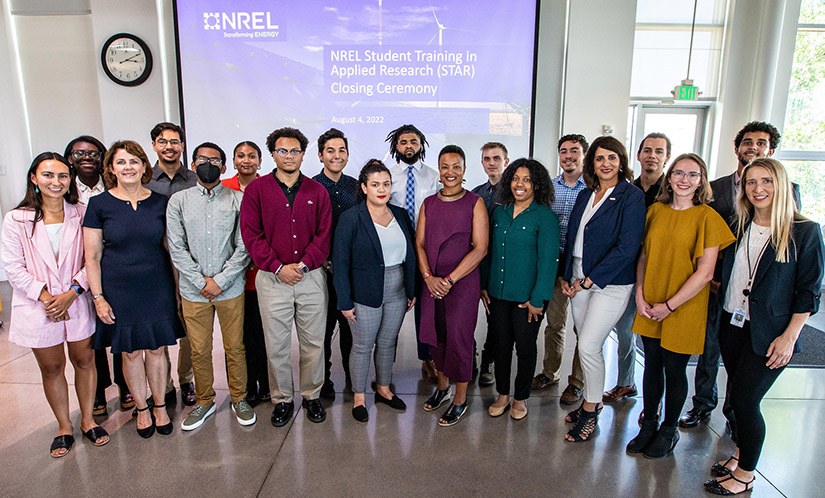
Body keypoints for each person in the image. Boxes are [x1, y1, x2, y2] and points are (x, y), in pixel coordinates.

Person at [704, 158, 823, 495]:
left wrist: (789, 337)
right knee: (735, 398)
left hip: (771, 334)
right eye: (751, 182)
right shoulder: (739, 225)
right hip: (733, 324)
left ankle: (746, 474)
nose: (758, 189)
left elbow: (809, 292)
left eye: (766, 181)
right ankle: (740, 455)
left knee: (746, 401)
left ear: (781, 184)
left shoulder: (804, 231)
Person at [681, 121, 801, 430]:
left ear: (770, 151)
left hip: (763, 299)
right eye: (747, 142)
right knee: (710, 348)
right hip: (720, 286)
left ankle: (737, 415)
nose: (753, 147)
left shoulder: (790, 194)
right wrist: (712, 276)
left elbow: (790, 248)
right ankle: (703, 404)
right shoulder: (716, 188)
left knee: (746, 373)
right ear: (737, 148)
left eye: (761, 143)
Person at [626, 153, 734, 459]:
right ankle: (649, 423)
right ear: (669, 178)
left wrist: (670, 306)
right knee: (651, 367)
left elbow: (706, 273)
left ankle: (668, 429)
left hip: (684, 306)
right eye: (679, 173)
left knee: (674, 370)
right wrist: (640, 294)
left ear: (701, 181)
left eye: (692, 174)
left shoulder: (707, 217)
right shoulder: (654, 211)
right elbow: (643, 256)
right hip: (651, 301)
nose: (685, 179)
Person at [1, 152, 108, 457]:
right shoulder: (16, 219)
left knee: (85, 361)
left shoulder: (83, 212)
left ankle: (88, 420)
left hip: (77, 299)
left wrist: (72, 293)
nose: (56, 182)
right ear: (34, 178)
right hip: (39, 305)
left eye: (63, 175)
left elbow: (93, 257)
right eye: (48, 175)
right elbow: (13, 266)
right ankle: (64, 426)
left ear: (70, 179)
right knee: (52, 368)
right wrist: (48, 297)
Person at [83, 140, 185, 439]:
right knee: (129, 352)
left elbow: (170, 249)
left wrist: (177, 291)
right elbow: (92, 256)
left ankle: (159, 406)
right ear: (111, 169)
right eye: (121, 162)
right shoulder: (99, 204)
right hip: (118, 287)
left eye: (133, 161)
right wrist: (98, 298)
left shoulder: (160, 202)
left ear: (143, 167)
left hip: (157, 283)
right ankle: (141, 408)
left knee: (156, 348)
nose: (128, 167)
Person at [240, 127, 332, 427]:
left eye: (294, 151)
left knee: (313, 343)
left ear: (303, 155)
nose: (289, 156)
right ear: (273, 154)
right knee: (276, 345)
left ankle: (311, 395)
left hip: (310, 277)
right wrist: (278, 267)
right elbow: (251, 235)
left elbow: (324, 235)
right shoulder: (256, 190)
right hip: (272, 278)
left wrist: (302, 266)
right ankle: (282, 399)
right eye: (282, 151)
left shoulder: (317, 191)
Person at [559, 135, 645, 442]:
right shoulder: (586, 194)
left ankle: (590, 411)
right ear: (591, 163)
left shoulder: (631, 196)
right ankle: (591, 401)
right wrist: (567, 276)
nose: (605, 163)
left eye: (612, 157)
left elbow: (627, 248)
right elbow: (572, 237)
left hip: (611, 282)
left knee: (588, 345)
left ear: (621, 161)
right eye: (599, 158)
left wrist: (588, 280)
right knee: (588, 344)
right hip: (578, 277)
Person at [167, 142, 254, 430]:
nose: (208, 164)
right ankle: (204, 401)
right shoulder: (178, 201)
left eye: (215, 161)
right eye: (202, 160)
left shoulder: (238, 199)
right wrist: (199, 280)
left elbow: (244, 246)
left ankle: (239, 398)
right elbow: (176, 247)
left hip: (230, 288)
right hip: (193, 292)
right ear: (193, 165)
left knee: (235, 347)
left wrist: (220, 280)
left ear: (224, 167)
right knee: (199, 350)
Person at [333, 159, 417, 422]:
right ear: (364, 187)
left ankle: (383, 389)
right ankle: (359, 397)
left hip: (397, 290)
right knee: (362, 346)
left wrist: (411, 289)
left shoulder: (400, 214)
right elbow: (340, 262)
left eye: (386, 184)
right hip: (364, 293)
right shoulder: (351, 218)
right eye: (375, 184)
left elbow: (411, 254)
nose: (382, 189)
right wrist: (345, 301)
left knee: (388, 343)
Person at [416, 145, 488, 427]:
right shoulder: (428, 204)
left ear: (464, 169)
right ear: (439, 169)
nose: (450, 172)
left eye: (456, 166)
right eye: (445, 166)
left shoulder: (475, 203)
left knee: (459, 339)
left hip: (461, 283)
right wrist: (428, 277)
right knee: (436, 336)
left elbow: (480, 249)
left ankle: (460, 398)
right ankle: (443, 388)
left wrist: (449, 280)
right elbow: (420, 244)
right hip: (432, 283)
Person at [481, 158, 559, 420]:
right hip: (498, 294)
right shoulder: (500, 213)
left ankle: (520, 398)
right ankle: (503, 394)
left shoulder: (545, 217)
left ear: (537, 184)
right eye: (515, 178)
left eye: (527, 179)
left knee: (525, 347)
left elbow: (548, 262)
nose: (520, 184)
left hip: (528, 298)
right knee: (501, 346)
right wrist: (484, 286)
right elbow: (489, 252)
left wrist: (538, 299)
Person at [64, 135, 133, 415]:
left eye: (93, 153)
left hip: (115, 266)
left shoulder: (115, 186)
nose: (87, 158)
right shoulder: (64, 189)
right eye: (79, 154)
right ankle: (98, 390)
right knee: (90, 334)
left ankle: (125, 384)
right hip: (79, 269)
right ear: (70, 158)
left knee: (118, 325)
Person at [603, 132, 671, 404]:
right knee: (625, 331)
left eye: (659, 151)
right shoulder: (626, 190)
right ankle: (626, 382)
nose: (652, 155)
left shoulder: (672, 192)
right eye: (647, 150)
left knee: (658, 343)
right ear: (639, 155)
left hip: (661, 273)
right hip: (628, 270)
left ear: (666, 158)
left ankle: (656, 402)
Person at [533, 134, 588, 405]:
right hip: (554, 263)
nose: (569, 156)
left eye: (574, 151)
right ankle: (550, 373)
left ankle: (576, 382)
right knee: (555, 324)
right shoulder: (549, 188)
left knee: (583, 329)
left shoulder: (593, 189)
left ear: (584, 155)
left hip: (582, 265)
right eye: (564, 151)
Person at [146, 122, 197, 407]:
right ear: (154, 145)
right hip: (154, 262)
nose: (169, 147)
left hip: (188, 262)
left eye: (175, 142)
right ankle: (163, 385)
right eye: (163, 141)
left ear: (182, 146)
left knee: (190, 325)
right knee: (159, 325)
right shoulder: (143, 180)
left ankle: (187, 379)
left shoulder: (194, 180)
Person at [386, 124, 440, 381]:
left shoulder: (434, 176)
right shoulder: (388, 176)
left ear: (421, 145)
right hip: (396, 249)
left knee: (426, 309)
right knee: (393, 309)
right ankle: (385, 366)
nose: (409, 146)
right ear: (396, 146)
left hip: (426, 248)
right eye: (404, 142)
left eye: (414, 142)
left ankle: (427, 359)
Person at [312, 128, 358, 398]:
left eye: (341, 150)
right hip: (321, 271)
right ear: (320, 155)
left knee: (351, 329)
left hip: (351, 271)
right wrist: (324, 260)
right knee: (323, 329)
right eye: (330, 150)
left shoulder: (356, 186)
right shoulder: (310, 187)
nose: (337, 155)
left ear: (348, 155)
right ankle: (324, 380)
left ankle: (353, 378)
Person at [222, 141, 268, 405]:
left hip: (259, 274)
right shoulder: (222, 188)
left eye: (252, 156)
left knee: (261, 334)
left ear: (260, 161)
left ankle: (265, 384)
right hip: (230, 276)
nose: (246, 160)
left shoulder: (269, 187)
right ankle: (244, 387)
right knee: (237, 338)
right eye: (241, 155)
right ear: (233, 160)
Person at [472, 142, 509, 387]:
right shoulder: (476, 193)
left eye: (496, 158)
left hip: (500, 266)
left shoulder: (515, 192)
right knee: (466, 316)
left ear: (506, 161)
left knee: (495, 319)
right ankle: (470, 357)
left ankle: (489, 361)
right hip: (476, 264)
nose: (492, 163)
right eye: (487, 159)